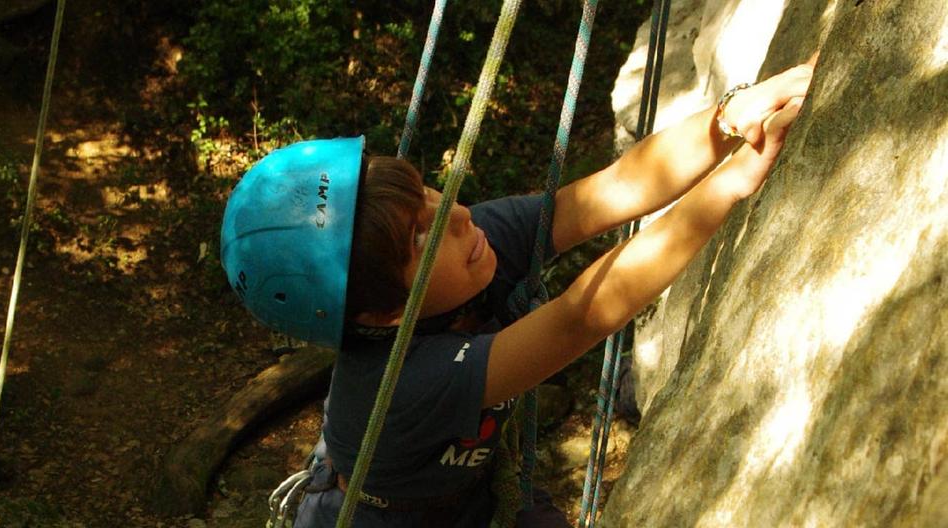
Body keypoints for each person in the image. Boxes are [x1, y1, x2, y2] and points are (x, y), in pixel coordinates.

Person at [220, 58, 816, 527]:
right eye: (419, 237)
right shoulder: (402, 386)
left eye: (427, 194)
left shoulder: (468, 247)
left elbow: (610, 192)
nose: (454, 213)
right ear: (380, 314)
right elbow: (577, 319)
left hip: (469, 490)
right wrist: (729, 184)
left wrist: (730, 116)